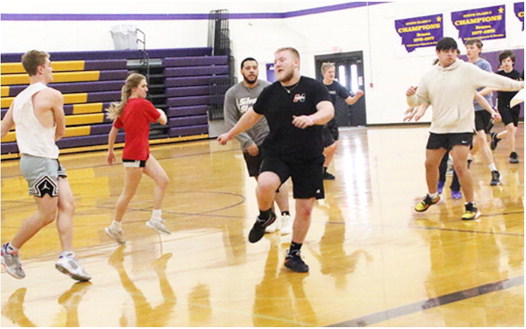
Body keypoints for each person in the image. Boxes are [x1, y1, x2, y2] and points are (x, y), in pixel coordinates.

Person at [218, 47, 334, 272]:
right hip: (278, 152)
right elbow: (251, 116)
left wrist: (312, 119)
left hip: (308, 157)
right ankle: (265, 216)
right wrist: (231, 134)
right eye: (275, 61)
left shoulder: (313, 87)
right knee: (265, 184)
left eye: (283, 60)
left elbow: (327, 110)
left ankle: (294, 254)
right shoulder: (271, 92)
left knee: (305, 209)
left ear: (296, 63)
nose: (278, 64)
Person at [406, 37, 523, 220]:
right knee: (430, 164)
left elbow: (494, 80)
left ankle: (471, 206)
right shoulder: (429, 76)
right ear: (438, 53)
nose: (451, 54)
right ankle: (432, 196)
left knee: (461, 166)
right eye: (446, 51)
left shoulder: (467, 70)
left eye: (454, 51)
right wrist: (411, 100)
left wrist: (520, 85)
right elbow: (420, 100)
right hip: (438, 128)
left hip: (461, 128)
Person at [0, 50, 91, 281]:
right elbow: (61, 131)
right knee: (46, 215)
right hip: (41, 161)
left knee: (68, 204)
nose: (52, 69)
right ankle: (9, 250)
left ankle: (67, 256)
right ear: (40, 69)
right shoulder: (52, 95)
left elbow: (2, 131)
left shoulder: (18, 99)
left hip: (45, 160)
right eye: (49, 65)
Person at [223, 57, 293, 235]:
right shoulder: (232, 94)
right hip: (250, 146)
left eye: (254, 67)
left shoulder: (269, 88)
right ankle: (271, 217)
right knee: (262, 184)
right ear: (242, 71)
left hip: (272, 142)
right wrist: (247, 142)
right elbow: (231, 121)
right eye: (248, 68)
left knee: (277, 181)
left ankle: (286, 216)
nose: (252, 71)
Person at [104, 73, 170, 244]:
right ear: (134, 89)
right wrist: (161, 111)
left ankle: (156, 218)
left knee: (163, 180)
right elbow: (162, 120)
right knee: (128, 194)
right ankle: (114, 226)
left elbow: (113, 131)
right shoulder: (142, 104)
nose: (146, 89)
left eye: (147, 86)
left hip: (143, 153)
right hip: (134, 155)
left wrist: (110, 150)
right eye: (143, 86)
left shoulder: (125, 107)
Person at [464, 39, 502, 185]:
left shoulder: (483, 65)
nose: (468, 50)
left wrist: (477, 95)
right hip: (471, 109)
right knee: (481, 138)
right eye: (467, 48)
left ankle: (468, 157)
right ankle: (494, 171)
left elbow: (491, 85)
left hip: (485, 107)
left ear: (479, 49)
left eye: (472, 47)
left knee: (481, 139)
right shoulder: (465, 67)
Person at [320, 62, 364, 180]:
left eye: (333, 72)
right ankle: (316, 166)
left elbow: (349, 101)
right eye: (329, 72)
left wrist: (357, 96)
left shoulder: (337, 86)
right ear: (324, 73)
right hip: (321, 120)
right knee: (327, 146)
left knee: (334, 146)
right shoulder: (318, 86)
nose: (332, 74)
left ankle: (323, 170)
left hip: (332, 120)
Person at [490, 50, 523, 163]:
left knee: (512, 131)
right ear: (501, 63)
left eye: (508, 61)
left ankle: (496, 137)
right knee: (509, 128)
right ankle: (512, 154)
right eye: (504, 61)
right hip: (503, 105)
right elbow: (492, 87)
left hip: (515, 104)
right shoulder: (499, 76)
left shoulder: (517, 75)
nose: (506, 63)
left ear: (512, 62)